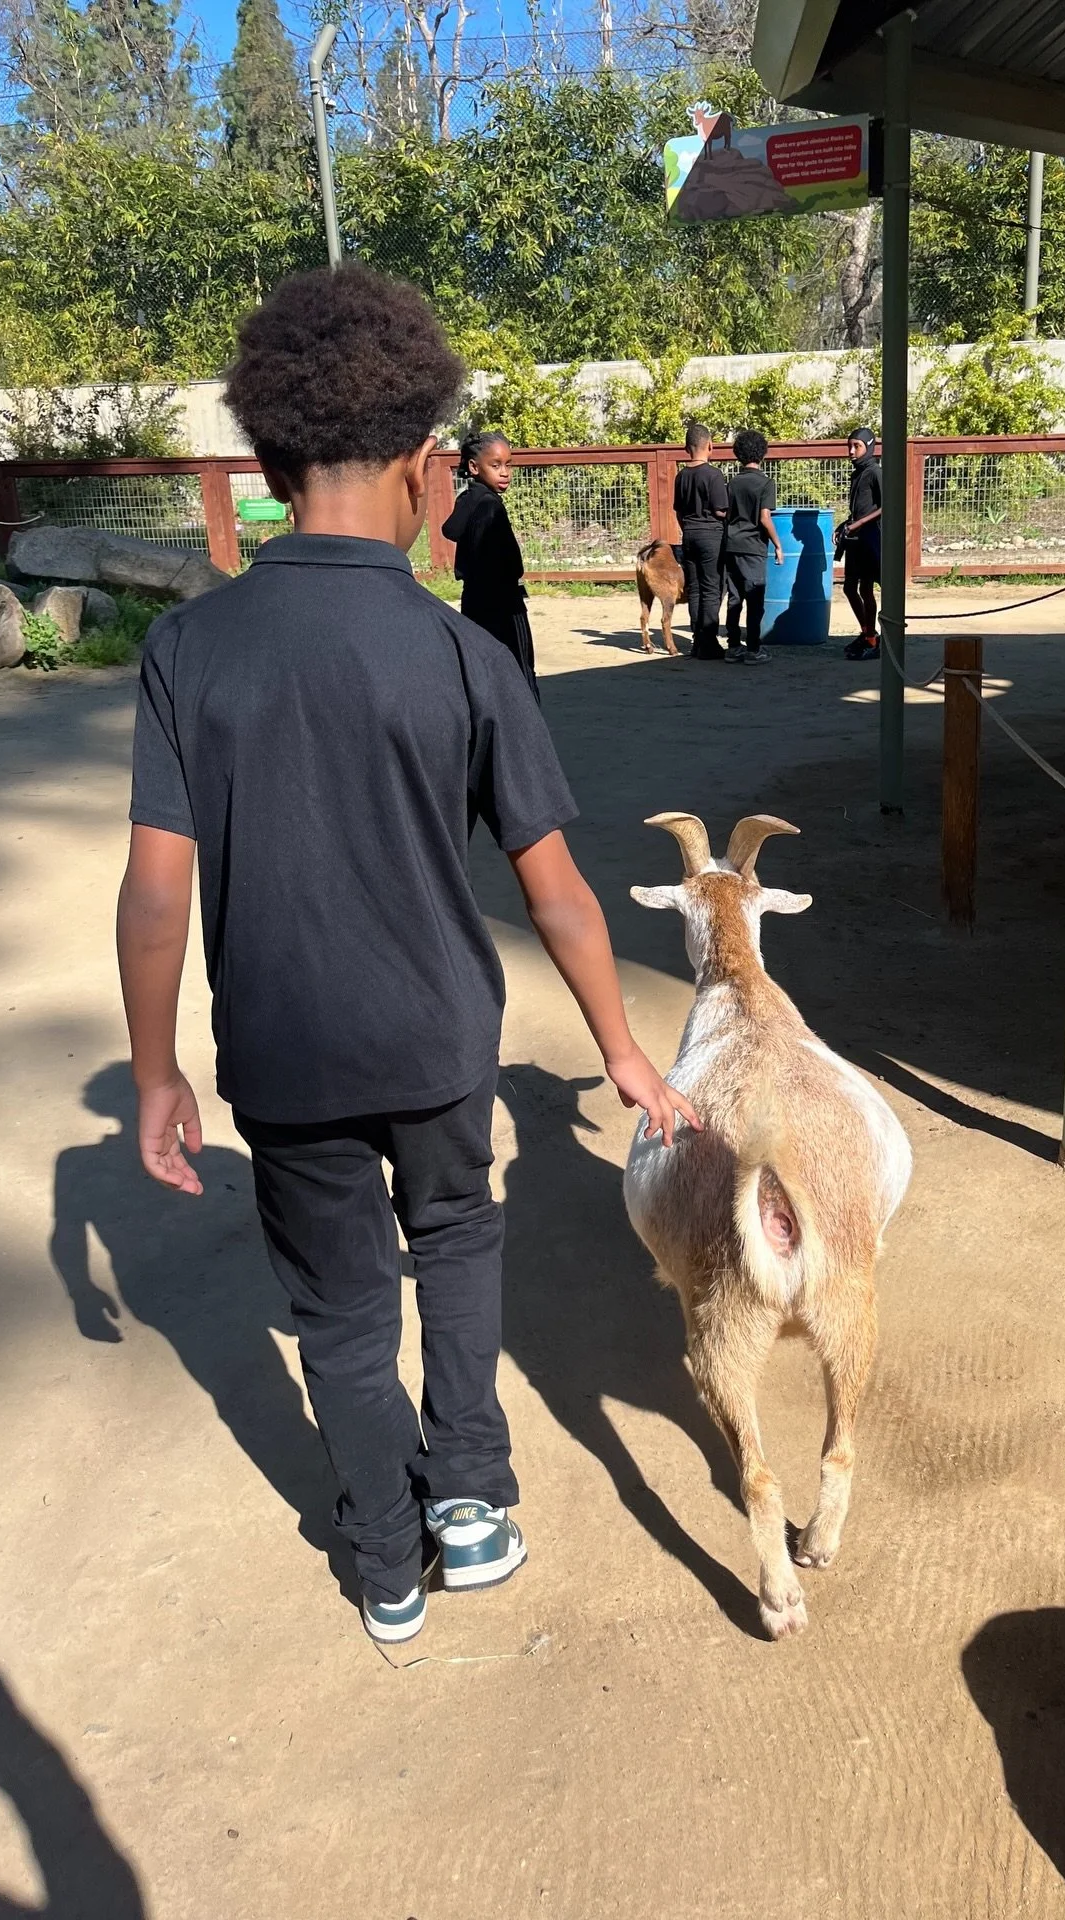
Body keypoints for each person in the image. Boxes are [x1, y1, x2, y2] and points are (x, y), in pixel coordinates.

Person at [115, 262, 698, 1648]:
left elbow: (153, 892)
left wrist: (154, 1074)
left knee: (337, 1306)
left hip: (282, 1053)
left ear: (263, 465)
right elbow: (555, 894)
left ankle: (384, 1556)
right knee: (457, 1236)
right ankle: (475, 1500)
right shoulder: (463, 659)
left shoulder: (186, 652)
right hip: (442, 1041)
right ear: (430, 472)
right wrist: (621, 1047)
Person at [442, 428, 539, 698]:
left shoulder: (468, 499)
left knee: (483, 668)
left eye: (509, 464)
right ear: (474, 467)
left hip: (474, 601)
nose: (505, 472)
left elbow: (450, 530)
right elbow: (507, 561)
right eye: (495, 465)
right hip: (504, 604)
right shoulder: (490, 506)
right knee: (518, 669)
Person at [723, 429, 783, 664]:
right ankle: (754, 648)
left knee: (734, 597)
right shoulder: (766, 483)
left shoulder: (733, 483)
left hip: (731, 545)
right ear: (763, 453)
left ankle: (734, 645)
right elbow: (764, 517)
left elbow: (726, 514)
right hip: (753, 547)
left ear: (738, 454)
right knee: (755, 598)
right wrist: (778, 544)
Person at [672, 420, 728, 661]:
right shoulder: (714, 475)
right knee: (712, 589)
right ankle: (709, 640)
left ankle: (697, 640)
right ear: (710, 446)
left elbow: (678, 511)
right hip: (711, 536)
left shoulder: (681, 476)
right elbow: (720, 511)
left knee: (694, 588)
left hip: (689, 535)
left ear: (687, 448)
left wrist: (688, 527)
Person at [839, 426, 882, 661]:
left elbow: (887, 506)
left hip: (869, 538)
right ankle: (868, 633)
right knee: (849, 588)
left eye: (857, 446)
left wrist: (859, 524)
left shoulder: (876, 472)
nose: (851, 451)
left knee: (866, 589)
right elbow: (859, 508)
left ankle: (872, 639)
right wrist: (846, 524)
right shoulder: (857, 473)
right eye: (850, 446)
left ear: (869, 446)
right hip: (855, 539)